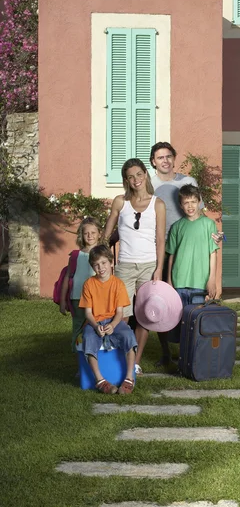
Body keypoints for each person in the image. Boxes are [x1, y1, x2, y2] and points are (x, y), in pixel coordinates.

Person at [150, 142, 222, 365]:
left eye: (168, 156)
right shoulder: (149, 184)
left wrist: (218, 237)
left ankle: (192, 353)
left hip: (190, 249)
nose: (165, 160)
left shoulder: (188, 182)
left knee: (192, 310)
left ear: (174, 158)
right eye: (160, 157)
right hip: (159, 247)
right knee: (164, 303)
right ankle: (166, 351)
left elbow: (205, 221)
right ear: (154, 161)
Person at [104, 158, 166, 376]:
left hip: (149, 265)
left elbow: (160, 239)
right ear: (126, 180)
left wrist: (158, 269)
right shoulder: (120, 202)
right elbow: (107, 234)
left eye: (139, 174)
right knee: (122, 315)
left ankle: (136, 362)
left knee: (145, 315)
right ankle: (120, 357)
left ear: (146, 175)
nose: (136, 179)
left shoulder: (158, 204)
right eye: (130, 176)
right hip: (125, 266)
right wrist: (104, 257)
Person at [79, 245, 137, 394]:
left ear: (111, 263)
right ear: (93, 267)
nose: (101, 267)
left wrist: (113, 324)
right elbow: (88, 313)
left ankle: (129, 378)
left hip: (114, 320)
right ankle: (100, 381)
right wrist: (95, 325)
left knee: (129, 335)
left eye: (104, 263)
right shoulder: (89, 284)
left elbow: (119, 312)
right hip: (95, 322)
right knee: (88, 338)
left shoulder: (118, 284)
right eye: (96, 265)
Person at [59, 217, 102, 369]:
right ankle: (81, 366)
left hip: (97, 300)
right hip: (77, 298)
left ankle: (96, 362)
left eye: (93, 232)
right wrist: (63, 300)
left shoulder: (104, 255)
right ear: (81, 236)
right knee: (78, 330)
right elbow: (67, 277)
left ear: (99, 234)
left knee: (95, 329)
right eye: (86, 233)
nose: (90, 236)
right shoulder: (76, 256)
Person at [167, 184, 219, 309]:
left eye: (193, 202)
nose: (190, 206)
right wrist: (169, 280)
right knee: (178, 320)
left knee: (196, 320)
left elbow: (213, 253)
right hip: (178, 282)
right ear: (181, 205)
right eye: (186, 203)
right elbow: (171, 256)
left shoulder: (209, 224)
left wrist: (212, 280)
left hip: (200, 283)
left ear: (199, 202)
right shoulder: (176, 227)